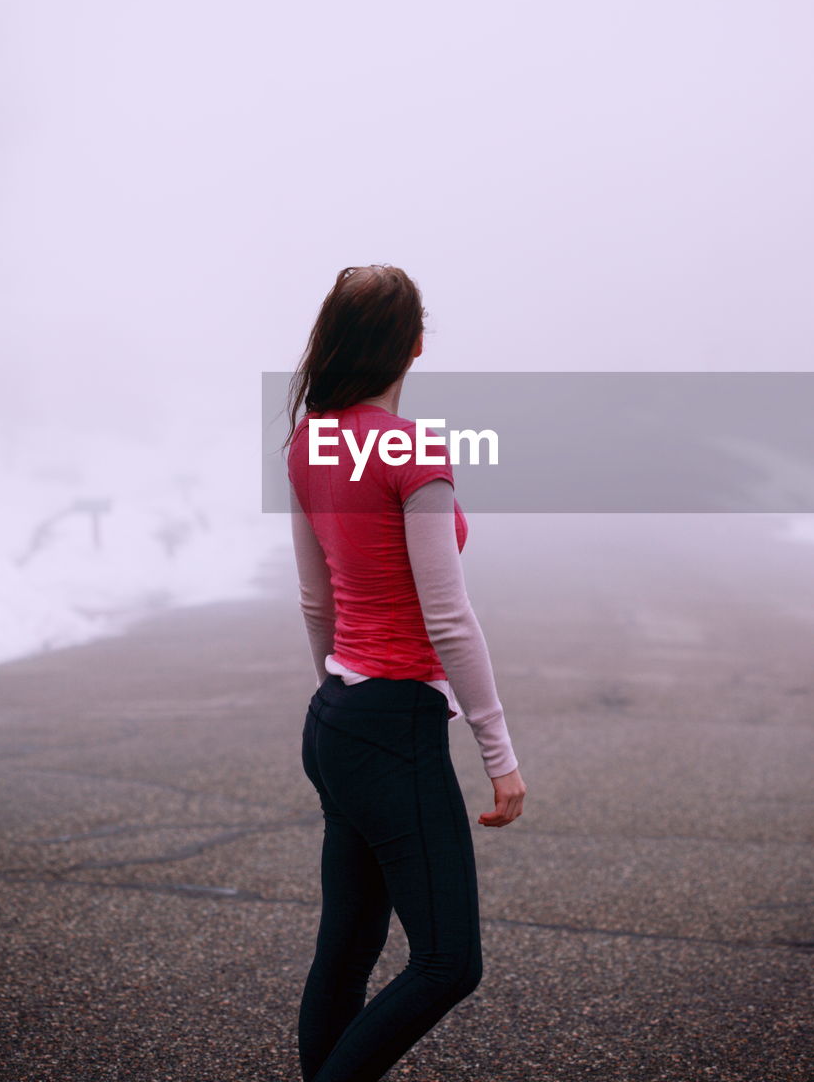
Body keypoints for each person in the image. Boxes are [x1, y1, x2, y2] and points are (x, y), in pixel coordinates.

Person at [284, 263, 526, 1082]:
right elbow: (449, 617)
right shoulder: (414, 450)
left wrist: (339, 698)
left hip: (337, 716)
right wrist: (499, 753)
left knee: (347, 951)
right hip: (390, 728)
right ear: (415, 346)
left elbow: (315, 602)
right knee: (447, 963)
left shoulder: (307, 444)